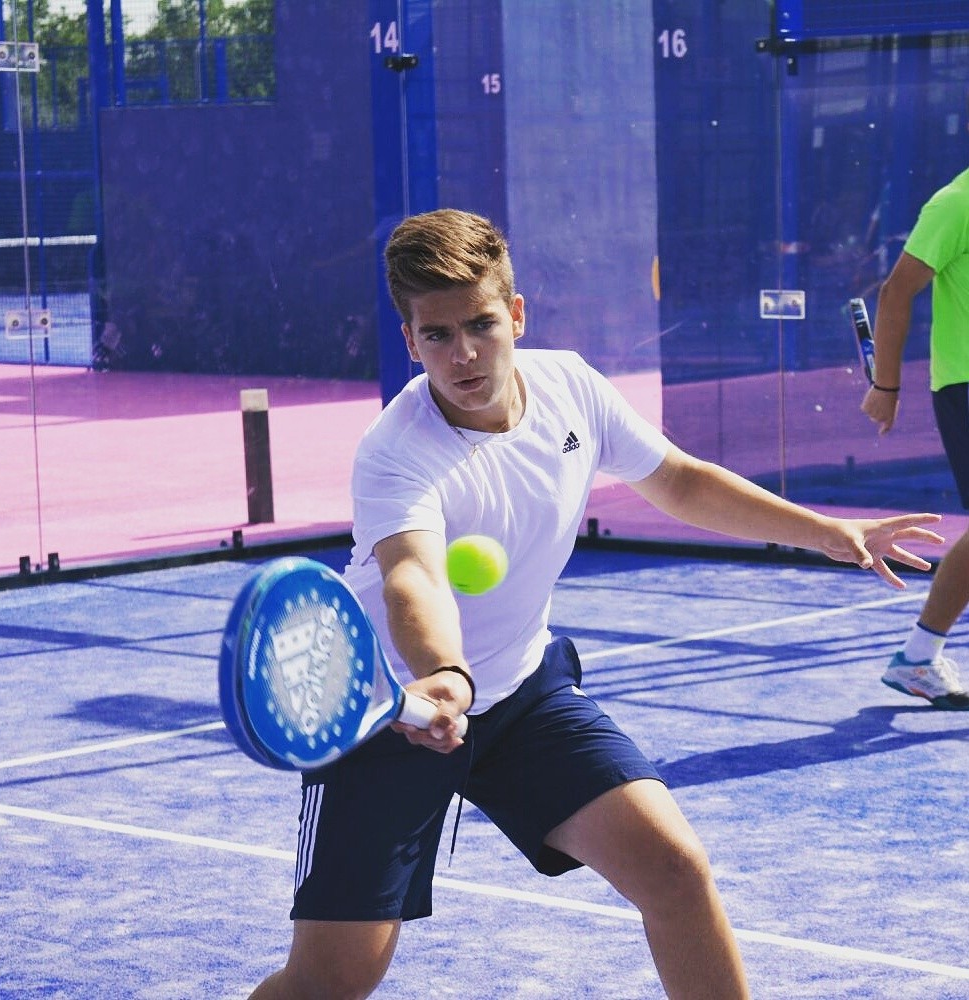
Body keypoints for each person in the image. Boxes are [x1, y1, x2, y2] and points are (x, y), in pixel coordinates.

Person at [251, 209, 942, 999]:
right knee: (332, 980)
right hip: (391, 713)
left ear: (516, 314)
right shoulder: (396, 450)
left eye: (480, 324)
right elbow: (414, 578)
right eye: (437, 335)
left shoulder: (570, 387)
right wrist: (442, 674)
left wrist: (825, 532)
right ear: (410, 341)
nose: (463, 353)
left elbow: (678, 480)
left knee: (674, 869)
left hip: (522, 696)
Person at [861, 166, 969, 711]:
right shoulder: (955, 203)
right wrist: (886, 385)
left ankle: (919, 656)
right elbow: (896, 291)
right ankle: (919, 657)